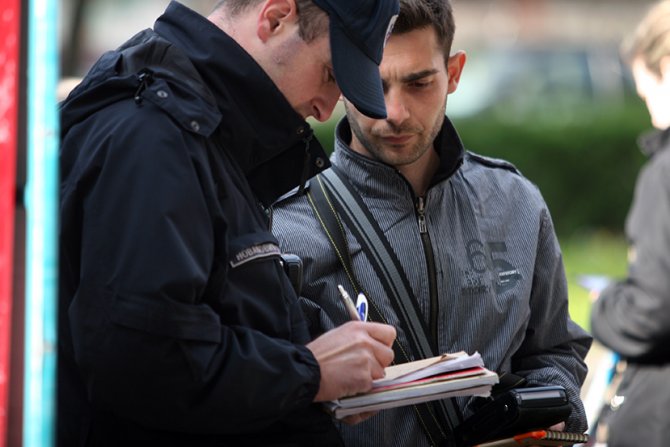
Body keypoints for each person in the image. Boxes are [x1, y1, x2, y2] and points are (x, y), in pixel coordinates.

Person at [58, 0, 401, 445]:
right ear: (276, 17)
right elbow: (139, 361)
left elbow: (205, 318)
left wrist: (315, 363)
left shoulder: (196, 125)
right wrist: (309, 372)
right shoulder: (154, 133)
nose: (325, 108)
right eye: (331, 76)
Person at [272, 0, 592, 445]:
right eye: (374, 83)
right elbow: (257, 396)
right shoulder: (283, 224)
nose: (394, 111)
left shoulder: (516, 202)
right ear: (342, 79)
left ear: (454, 73)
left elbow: (557, 350)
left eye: (419, 83)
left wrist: (551, 409)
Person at [590, 2, 670, 446]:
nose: (649, 107)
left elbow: (652, 313)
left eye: (647, 91)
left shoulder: (666, 172)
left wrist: (607, 306)